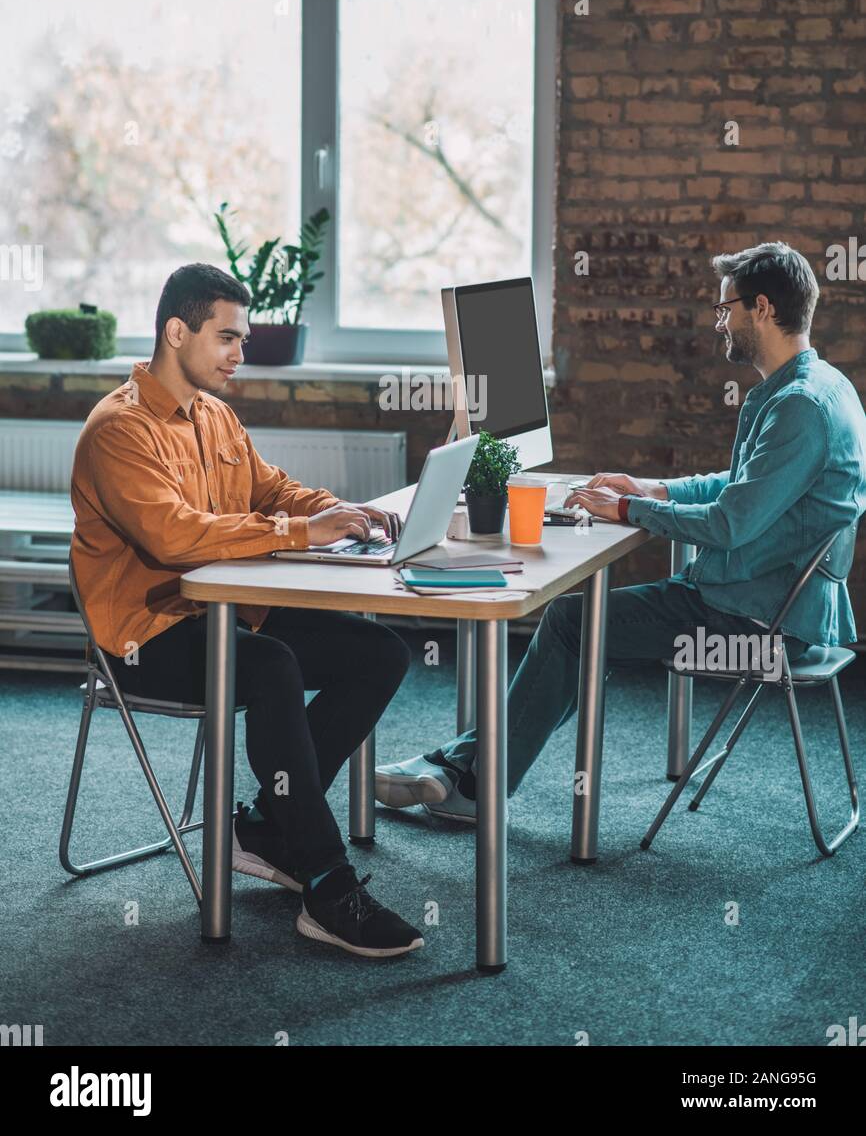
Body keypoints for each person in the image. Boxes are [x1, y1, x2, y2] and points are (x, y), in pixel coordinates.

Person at [376, 242, 866, 822]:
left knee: (570, 622)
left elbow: (732, 523)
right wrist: (653, 490)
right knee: (583, 629)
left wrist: (626, 513)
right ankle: (466, 765)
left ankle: (474, 784)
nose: (719, 323)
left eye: (725, 308)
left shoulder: (798, 408)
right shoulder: (818, 387)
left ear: (761, 308)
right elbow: (741, 486)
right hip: (774, 605)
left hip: (762, 629)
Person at [71, 262, 422, 959]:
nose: (241, 353)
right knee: (270, 668)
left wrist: (336, 512)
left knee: (380, 652)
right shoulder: (119, 430)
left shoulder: (215, 415)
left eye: (244, 338)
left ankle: (265, 826)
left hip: (227, 614)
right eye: (228, 338)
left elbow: (271, 490)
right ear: (177, 331)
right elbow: (172, 536)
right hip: (145, 635)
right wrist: (300, 534)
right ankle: (326, 885)